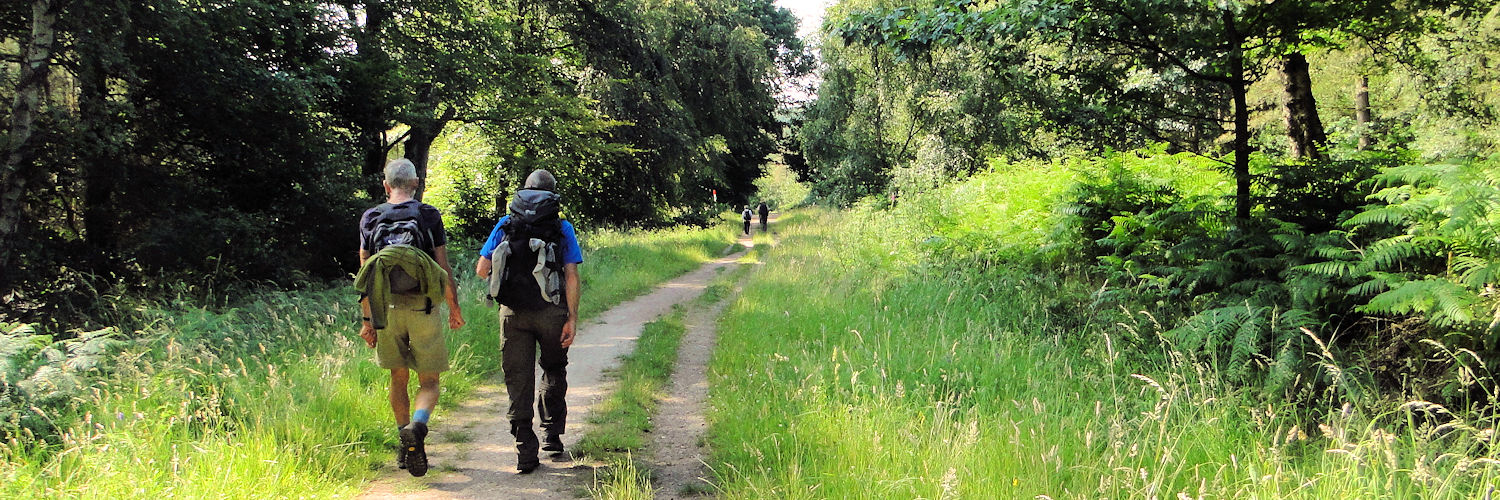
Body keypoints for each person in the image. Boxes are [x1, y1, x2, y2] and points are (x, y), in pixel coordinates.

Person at [354, 158, 466, 477]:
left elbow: (366, 276)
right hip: (424, 309)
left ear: (386, 185)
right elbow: (442, 269)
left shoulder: (371, 217)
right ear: (415, 184)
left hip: (387, 311)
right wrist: (454, 310)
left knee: (397, 377)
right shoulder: (428, 214)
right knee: (429, 381)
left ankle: (405, 443)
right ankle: (417, 427)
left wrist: (367, 322)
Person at [475, 169, 583, 474]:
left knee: (518, 377)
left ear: (525, 192)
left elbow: (482, 269)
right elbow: (572, 275)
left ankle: (524, 446)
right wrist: (571, 317)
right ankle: (551, 436)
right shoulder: (562, 228)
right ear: (553, 195)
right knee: (553, 367)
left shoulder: (506, 224)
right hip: (552, 310)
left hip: (512, 313)